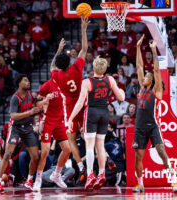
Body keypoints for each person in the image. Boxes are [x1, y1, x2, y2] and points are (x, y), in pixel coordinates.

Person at [68, 56, 125, 190]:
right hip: (105, 113)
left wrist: (70, 118)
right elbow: (121, 97)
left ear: (93, 68)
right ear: (105, 69)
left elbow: (80, 103)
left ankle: (89, 176)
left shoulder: (87, 82)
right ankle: (101, 173)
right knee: (100, 145)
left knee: (89, 146)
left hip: (92, 112)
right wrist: (120, 90)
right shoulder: (110, 79)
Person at [132, 35, 177, 193]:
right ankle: (140, 184)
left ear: (152, 80)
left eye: (147, 76)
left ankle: (174, 182)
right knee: (138, 157)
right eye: (144, 76)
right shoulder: (141, 88)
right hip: (139, 128)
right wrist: (138, 48)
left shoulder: (155, 90)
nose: (144, 77)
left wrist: (153, 51)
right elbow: (139, 66)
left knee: (162, 153)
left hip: (152, 126)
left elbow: (157, 70)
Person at [50, 17, 89, 185]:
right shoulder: (76, 69)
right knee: (89, 136)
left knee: (71, 139)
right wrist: (83, 30)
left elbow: (52, 66)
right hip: (82, 102)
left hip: (70, 107)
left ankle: (80, 166)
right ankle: (94, 165)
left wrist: (59, 50)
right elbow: (85, 49)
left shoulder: (57, 75)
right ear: (70, 62)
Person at [0, 74, 40, 193]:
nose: (28, 82)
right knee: (7, 154)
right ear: (19, 83)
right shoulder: (15, 98)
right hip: (16, 127)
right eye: (25, 80)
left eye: (29, 80)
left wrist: (39, 100)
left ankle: (29, 180)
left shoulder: (29, 94)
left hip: (28, 127)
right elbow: (13, 116)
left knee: (35, 156)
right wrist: (30, 112)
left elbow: (32, 103)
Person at [32, 79, 71, 192]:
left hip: (60, 121)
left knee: (67, 149)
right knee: (45, 152)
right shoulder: (46, 86)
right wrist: (46, 99)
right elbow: (36, 104)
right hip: (47, 121)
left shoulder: (66, 83)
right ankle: (38, 179)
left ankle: (56, 174)